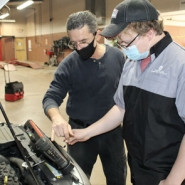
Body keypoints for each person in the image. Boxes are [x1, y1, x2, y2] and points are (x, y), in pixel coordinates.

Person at [67, 0, 185, 185]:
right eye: (118, 42)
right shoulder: (132, 62)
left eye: (124, 41)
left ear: (149, 32)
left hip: (169, 171)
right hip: (137, 164)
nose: (121, 47)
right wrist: (87, 133)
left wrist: (173, 180)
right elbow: (121, 108)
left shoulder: (180, 64)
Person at [42, 10, 127, 185]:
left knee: (117, 177)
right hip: (78, 134)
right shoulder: (69, 64)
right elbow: (51, 96)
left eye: (84, 41)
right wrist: (56, 118)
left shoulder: (117, 57)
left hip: (113, 133)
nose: (79, 48)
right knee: (77, 180)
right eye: (74, 43)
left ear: (97, 35)